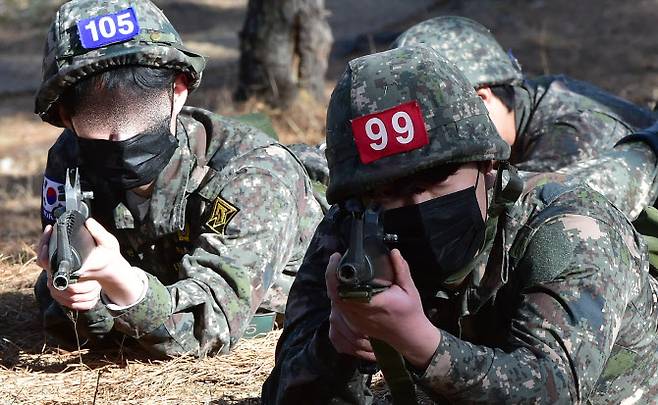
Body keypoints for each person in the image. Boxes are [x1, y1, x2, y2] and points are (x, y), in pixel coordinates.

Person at [261, 45, 658, 403]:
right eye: (388, 192)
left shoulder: (572, 227)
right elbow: (284, 393)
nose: (416, 205)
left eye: (435, 179)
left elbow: (552, 388)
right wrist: (336, 347)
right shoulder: (352, 230)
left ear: (489, 166)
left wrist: (421, 343)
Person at [33, 0, 323, 357]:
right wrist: (82, 295)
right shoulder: (70, 161)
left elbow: (210, 326)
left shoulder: (253, 176)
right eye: (97, 114)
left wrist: (122, 284)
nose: (120, 136)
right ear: (65, 116)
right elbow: (62, 312)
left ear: (178, 90)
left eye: (140, 109)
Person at [393, 16, 658, 173]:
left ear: (481, 98)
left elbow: (522, 219)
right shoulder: (529, 106)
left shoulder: (576, 135)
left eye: (439, 126)